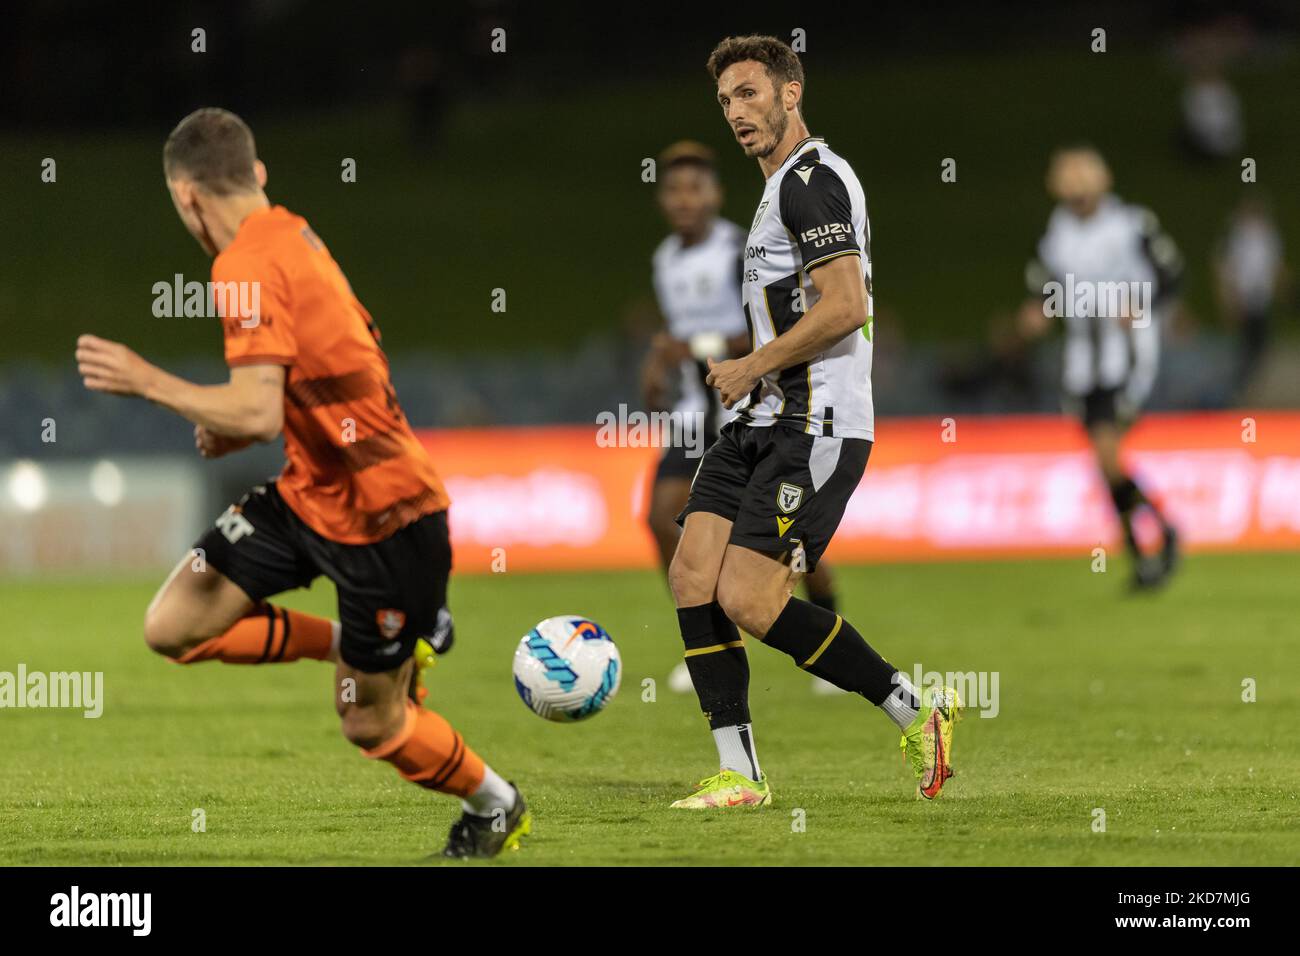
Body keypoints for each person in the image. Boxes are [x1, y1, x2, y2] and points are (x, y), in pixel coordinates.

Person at [74, 107, 529, 858]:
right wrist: (241, 418)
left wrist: (147, 380)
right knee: (173, 628)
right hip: (308, 494)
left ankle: (495, 805)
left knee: (371, 723)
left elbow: (255, 409)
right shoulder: (292, 232)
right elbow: (299, 381)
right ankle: (350, 643)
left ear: (186, 198)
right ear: (256, 173)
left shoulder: (245, 264)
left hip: (388, 517)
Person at [665, 36, 960, 810]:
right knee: (691, 574)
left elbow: (847, 306)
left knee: (752, 602)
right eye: (726, 100)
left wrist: (750, 363)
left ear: (791, 93)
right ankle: (741, 775)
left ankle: (914, 709)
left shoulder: (812, 184)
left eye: (751, 94)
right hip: (762, 420)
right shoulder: (775, 191)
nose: (737, 112)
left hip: (816, 421)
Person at [640, 140, 843, 696]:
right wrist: (661, 364)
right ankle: (708, 636)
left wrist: (686, 346)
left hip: (751, 406)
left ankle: (826, 616)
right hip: (692, 412)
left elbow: (764, 328)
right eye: (674, 190)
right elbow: (675, 335)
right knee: (659, 517)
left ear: (715, 195)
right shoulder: (664, 259)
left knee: (781, 539)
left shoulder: (740, 250)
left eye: (694, 188)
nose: (684, 200)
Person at [1019, 146, 1183, 589]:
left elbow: (1171, 272)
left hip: (1125, 356)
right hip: (1081, 362)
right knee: (1104, 460)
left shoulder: (1130, 224)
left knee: (1108, 453)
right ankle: (1153, 542)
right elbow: (1045, 283)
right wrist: (1039, 310)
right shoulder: (1058, 232)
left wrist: (1142, 304)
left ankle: (1155, 541)